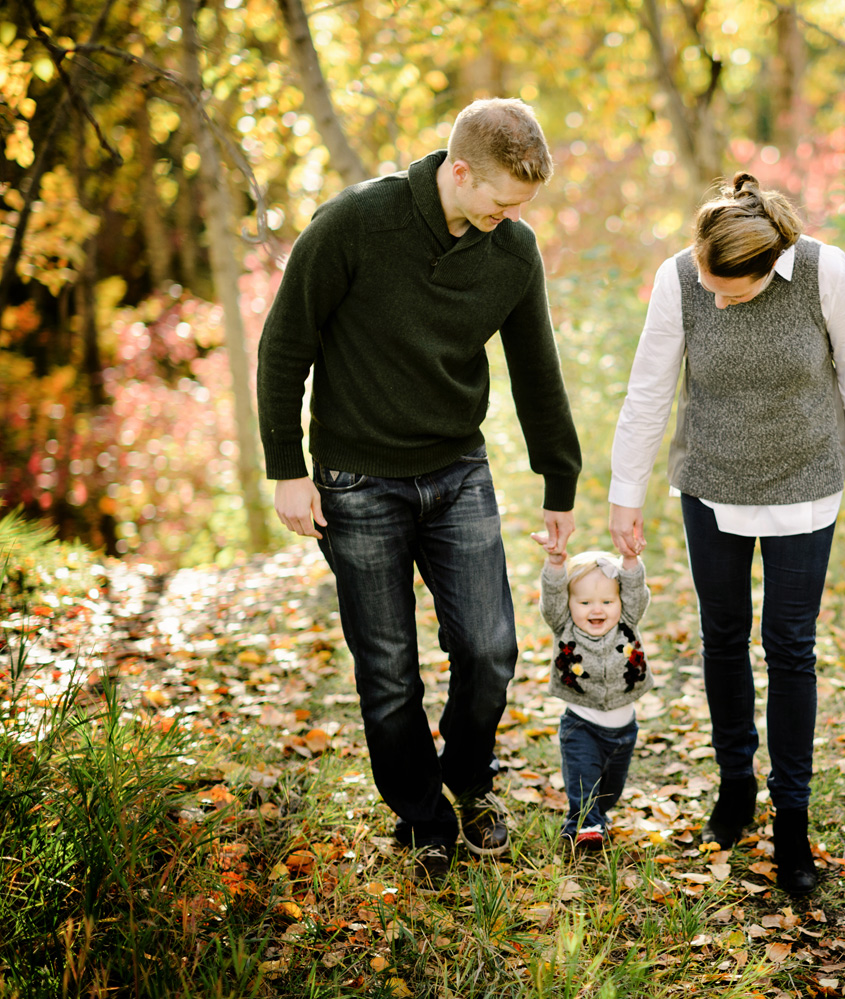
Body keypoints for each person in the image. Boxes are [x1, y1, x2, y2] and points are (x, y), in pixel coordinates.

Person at [257, 98, 581, 890]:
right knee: (390, 666)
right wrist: (285, 467)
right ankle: (421, 814)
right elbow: (285, 342)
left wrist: (559, 478)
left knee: (489, 649)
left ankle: (468, 778)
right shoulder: (355, 224)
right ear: (459, 170)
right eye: (502, 199)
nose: (512, 217)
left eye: (522, 206)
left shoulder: (512, 250)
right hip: (356, 478)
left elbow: (535, 367)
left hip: (457, 469)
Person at [608, 173, 845, 896]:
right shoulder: (681, 279)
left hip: (807, 478)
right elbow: (649, 389)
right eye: (707, 279)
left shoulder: (824, 271)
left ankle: (792, 818)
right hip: (711, 480)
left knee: (790, 645)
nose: (715, 294)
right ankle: (736, 783)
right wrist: (624, 494)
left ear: (770, 266)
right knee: (723, 633)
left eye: (728, 288)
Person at [532, 537, 651, 851]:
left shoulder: (627, 621)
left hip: (624, 729)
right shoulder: (564, 626)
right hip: (581, 726)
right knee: (584, 784)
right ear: (570, 605)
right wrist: (556, 565)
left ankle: (597, 818)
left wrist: (629, 562)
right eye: (584, 603)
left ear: (620, 602)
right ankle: (582, 827)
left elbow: (636, 591)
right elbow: (553, 597)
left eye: (607, 602)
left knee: (611, 791)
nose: (596, 609)